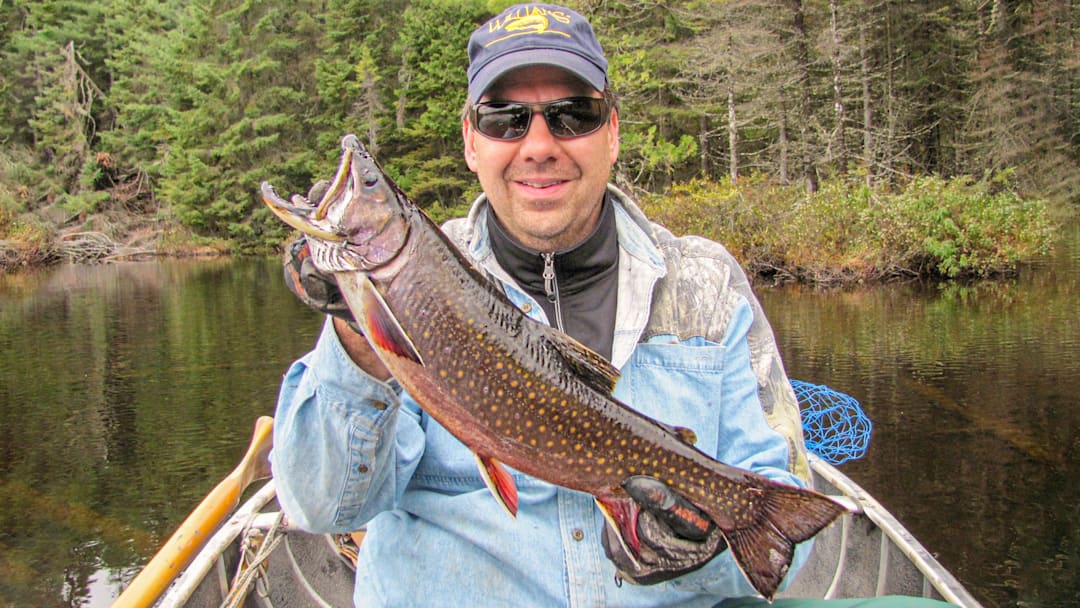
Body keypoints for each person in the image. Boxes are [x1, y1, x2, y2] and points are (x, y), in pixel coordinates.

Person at [271, 4, 954, 607]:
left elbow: (785, 531)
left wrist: (703, 549)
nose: (538, 144)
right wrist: (359, 338)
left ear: (612, 132)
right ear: (471, 140)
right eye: (505, 118)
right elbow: (321, 506)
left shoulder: (707, 287)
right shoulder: (417, 282)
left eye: (573, 114)